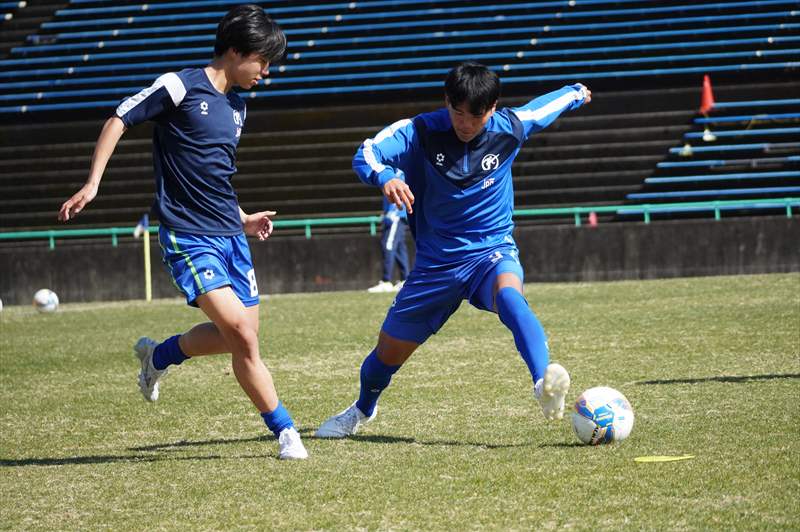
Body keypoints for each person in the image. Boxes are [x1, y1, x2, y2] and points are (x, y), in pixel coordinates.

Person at [57, 5, 308, 460]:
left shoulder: (238, 106)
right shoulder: (180, 85)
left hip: (229, 234)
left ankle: (159, 357)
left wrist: (244, 217)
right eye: (263, 61)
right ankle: (286, 431)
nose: (266, 72)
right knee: (242, 336)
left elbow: (215, 176)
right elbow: (120, 117)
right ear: (235, 52)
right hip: (188, 235)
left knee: (237, 335)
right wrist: (93, 183)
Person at [316, 61, 591, 438]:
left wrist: (576, 93)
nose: (464, 123)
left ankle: (543, 384)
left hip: (490, 251)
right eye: (457, 112)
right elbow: (366, 152)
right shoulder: (419, 131)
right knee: (385, 357)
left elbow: (543, 108)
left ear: (492, 109)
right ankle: (362, 410)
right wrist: (386, 176)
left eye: (475, 115)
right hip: (436, 266)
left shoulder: (509, 128)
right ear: (447, 102)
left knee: (509, 295)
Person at [367, 197, 410, 293]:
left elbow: (397, 190)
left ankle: (386, 281)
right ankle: (405, 280)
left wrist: (391, 213)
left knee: (388, 246)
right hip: (397, 215)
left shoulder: (395, 180)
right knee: (399, 249)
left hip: (395, 216)